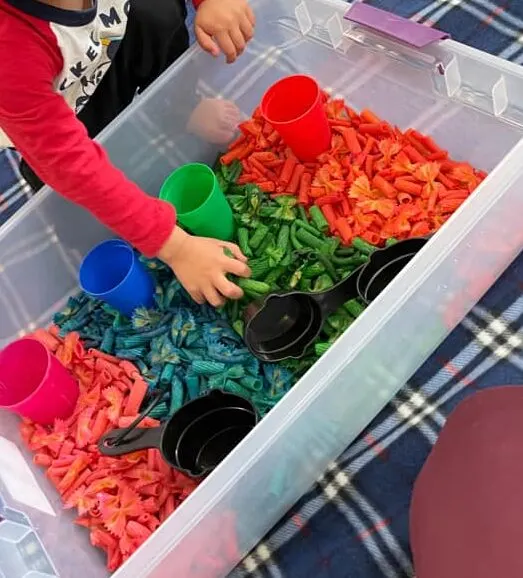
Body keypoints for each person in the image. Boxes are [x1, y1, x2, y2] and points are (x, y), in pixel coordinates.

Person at [0, 0, 255, 307]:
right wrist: (175, 246)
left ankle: (182, 108)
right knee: (84, 223)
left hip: (107, 33)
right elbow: (67, 160)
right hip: (56, 106)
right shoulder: (10, 52)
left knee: (158, 13)